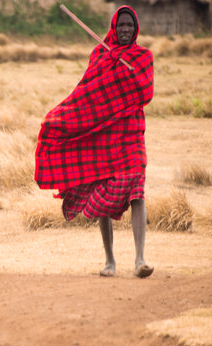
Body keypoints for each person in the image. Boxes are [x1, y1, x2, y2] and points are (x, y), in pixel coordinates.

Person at [35, 6, 154, 278]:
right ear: (114, 27)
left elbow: (145, 91)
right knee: (103, 194)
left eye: (129, 26)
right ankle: (110, 261)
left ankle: (140, 260)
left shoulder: (143, 57)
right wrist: (110, 63)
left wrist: (125, 70)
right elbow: (87, 92)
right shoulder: (101, 55)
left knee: (137, 189)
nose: (125, 30)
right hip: (103, 132)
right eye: (121, 25)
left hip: (131, 131)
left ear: (136, 29)